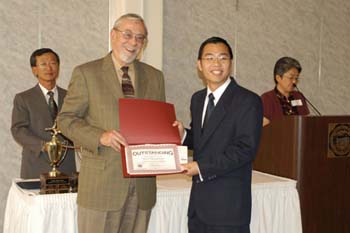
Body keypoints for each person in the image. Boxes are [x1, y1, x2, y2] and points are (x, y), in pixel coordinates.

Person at [57, 13, 165, 233]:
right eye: (128, 35)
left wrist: (171, 129)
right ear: (113, 35)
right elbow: (65, 120)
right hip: (101, 186)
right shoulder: (87, 73)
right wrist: (100, 136)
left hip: (142, 187)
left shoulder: (155, 77)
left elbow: (157, 122)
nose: (133, 42)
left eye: (140, 37)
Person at [174, 37, 263, 233]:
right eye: (209, 58)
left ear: (231, 63)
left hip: (228, 210)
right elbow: (203, 139)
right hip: (198, 208)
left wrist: (201, 167)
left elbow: (245, 150)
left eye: (223, 58)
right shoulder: (197, 99)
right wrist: (183, 135)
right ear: (199, 64)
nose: (216, 64)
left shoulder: (248, 101)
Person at [11, 48, 76, 179]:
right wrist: (43, 146)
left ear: (58, 67)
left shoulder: (71, 96)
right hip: (36, 164)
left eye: (52, 63)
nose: (49, 68)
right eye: (43, 64)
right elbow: (18, 129)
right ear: (34, 69)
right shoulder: (24, 98)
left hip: (67, 166)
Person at [261, 56, 310, 126]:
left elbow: (306, 122)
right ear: (278, 78)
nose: (294, 81)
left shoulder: (299, 96)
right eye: (291, 77)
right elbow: (264, 127)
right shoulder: (267, 98)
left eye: (296, 78)